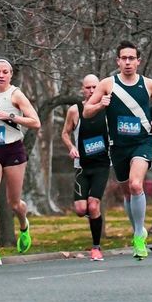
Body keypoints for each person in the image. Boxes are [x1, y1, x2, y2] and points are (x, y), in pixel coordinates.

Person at [83, 41, 152, 260]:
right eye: (124, 58)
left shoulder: (149, 84)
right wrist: (101, 104)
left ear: (139, 60)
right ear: (118, 61)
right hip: (118, 146)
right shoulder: (107, 84)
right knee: (127, 192)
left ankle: (139, 234)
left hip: (143, 142)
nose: (128, 62)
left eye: (132, 58)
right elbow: (86, 111)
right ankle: (137, 229)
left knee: (136, 184)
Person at [0, 59, 41, 266]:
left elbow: (35, 122)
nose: (1, 75)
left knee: (14, 203)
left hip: (13, 149)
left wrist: (11, 116)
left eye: (5, 72)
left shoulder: (16, 94)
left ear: (11, 74)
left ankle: (23, 225)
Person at [62, 74, 112, 260]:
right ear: (82, 89)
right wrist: (71, 147)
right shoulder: (75, 110)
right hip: (82, 166)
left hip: (102, 165)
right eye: (88, 87)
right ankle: (94, 217)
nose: (91, 91)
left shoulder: (107, 110)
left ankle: (96, 247)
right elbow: (65, 133)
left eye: (94, 87)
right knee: (81, 209)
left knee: (93, 204)